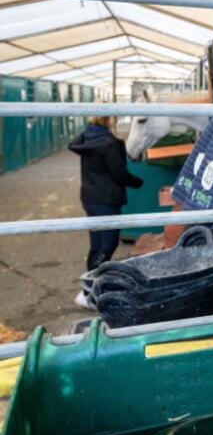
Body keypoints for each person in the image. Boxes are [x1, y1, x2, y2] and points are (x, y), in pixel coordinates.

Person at [68, 115, 143, 309]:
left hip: (89, 198)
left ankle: (88, 290)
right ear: (109, 119)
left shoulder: (85, 139)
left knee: (97, 243)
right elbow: (118, 173)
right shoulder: (110, 144)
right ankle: (90, 291)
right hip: (106, 200)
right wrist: (137, 182)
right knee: (107, 244)